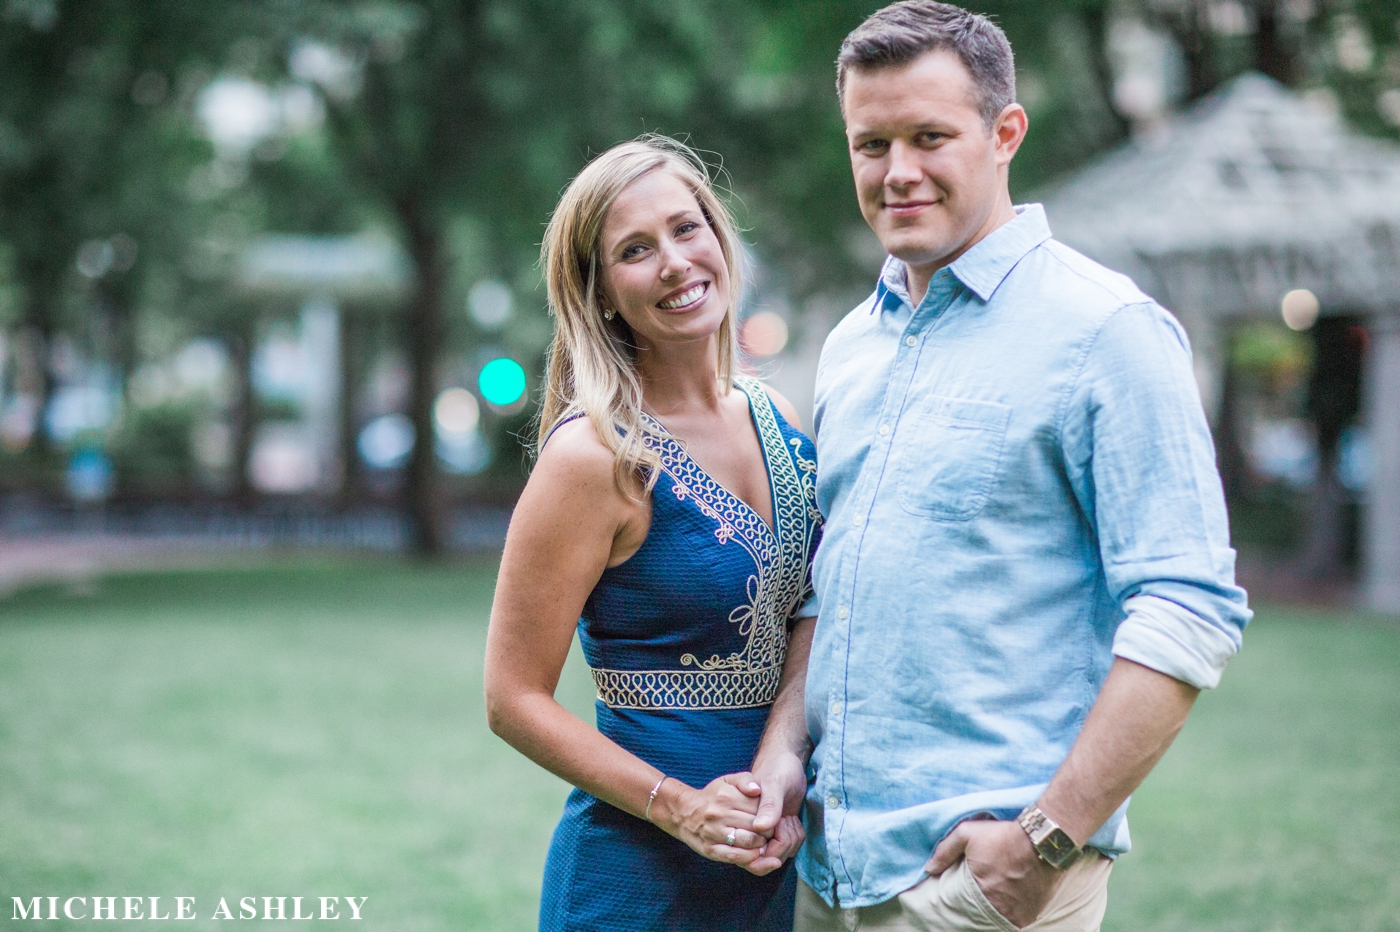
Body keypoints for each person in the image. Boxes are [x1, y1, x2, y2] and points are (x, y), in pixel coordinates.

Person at [744, 4, 1253, 930]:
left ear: (1005, 133)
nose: (897, 171)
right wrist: (785, 747)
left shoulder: (1107, 332)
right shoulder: (854, 344)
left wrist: (1044, 840)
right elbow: (833, 586)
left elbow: (1189, 609)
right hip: (824, 874)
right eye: (871, 144)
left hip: (984, 889)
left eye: (929, 136)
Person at [484, 135, 821, 932]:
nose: (674, 261)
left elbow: (812, 607)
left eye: (686, 228)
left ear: (718, 237)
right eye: (635, 250)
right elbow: (511, 698)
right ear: (600, 293)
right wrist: (678, 810)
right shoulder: (595, 456)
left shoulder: (781, 420)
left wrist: (784, 755)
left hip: (771, 864)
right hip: (634, 880)